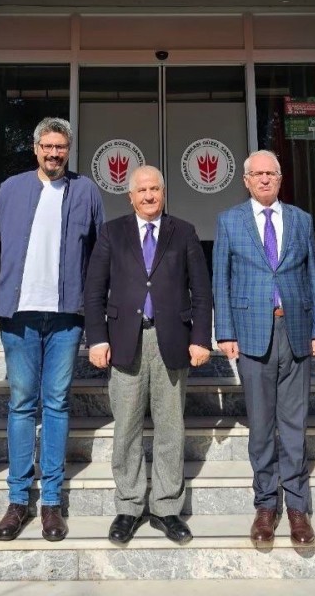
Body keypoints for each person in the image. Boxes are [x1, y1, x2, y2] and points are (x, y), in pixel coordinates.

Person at [84, 165, 213, 545]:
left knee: (170, 428)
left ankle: (166, 508)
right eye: (141, 190)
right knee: (126, 427)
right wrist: (97, 339)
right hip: (125, 340)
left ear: (164, 192)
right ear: (130, 196)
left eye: (155, 188)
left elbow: (201, 292)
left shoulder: (184, 232)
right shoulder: (112, 232)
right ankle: (128, 506)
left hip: (171, 340)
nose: (149, 195)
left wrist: (201, 339)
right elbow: (94, 291)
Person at [0, 117, 104, 542]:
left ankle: (51, 502)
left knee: (56, 404)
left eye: (61, 147)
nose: (54, 153)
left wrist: (97, 315)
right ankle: (18, 499)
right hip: (18, 314)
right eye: (47, 146)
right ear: (36, 148)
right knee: (22, 404)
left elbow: (99, 255)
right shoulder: (10, 189)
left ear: (68, 150)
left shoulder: (86, 191)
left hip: (66, 316)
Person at [213, 150, 315, 546]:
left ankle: (297, 507)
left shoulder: (301, 219)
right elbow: (221, 281)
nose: (264, 179)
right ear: (246, 180)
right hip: (251, 334)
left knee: (294, 425)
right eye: (257, 174)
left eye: (271, 173)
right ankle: (265, 504)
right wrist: (225, 332)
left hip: (295, 330)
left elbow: (313, 276)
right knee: (261, 426)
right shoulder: (229, 221)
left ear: (280, 178)